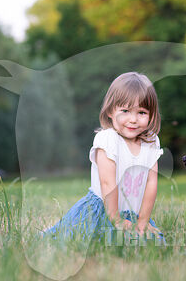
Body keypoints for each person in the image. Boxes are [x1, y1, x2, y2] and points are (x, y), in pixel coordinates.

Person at [42, 72, 165, 244]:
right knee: (87, 242)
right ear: (110, 111)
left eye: (142, 112)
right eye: (125, 111)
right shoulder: (108, 139)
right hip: (104, 209)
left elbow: (151, 183)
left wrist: (143, 221)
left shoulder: (151, 142)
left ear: (152, 115)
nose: (133, 119)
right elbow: (108, 182)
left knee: (151, 244)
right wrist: (115, 218)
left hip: (133, 213)